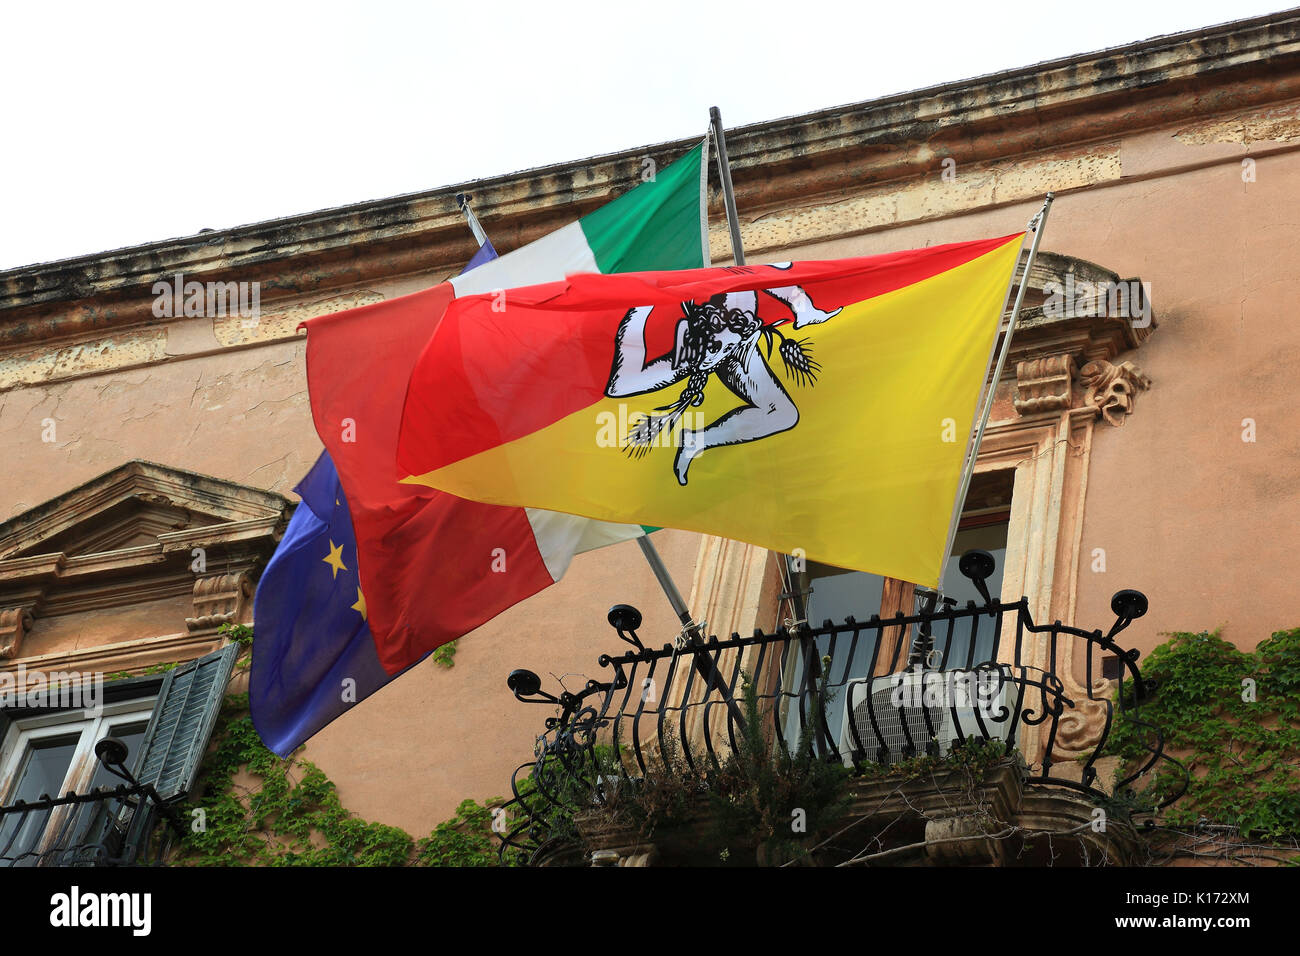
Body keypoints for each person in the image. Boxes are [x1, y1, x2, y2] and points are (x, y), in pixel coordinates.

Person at [606, 278, 839, 485]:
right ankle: (695, 442)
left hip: (740, 343)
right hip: (721, 345)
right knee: (781, 412)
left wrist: (805, 310)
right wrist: (641, 304)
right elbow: (619, 386)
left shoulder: (738, 301)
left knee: (783, 414)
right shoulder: (691, 357)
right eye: (712, 354)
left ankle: (696, 441)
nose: (715, 357)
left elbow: (773, 276)